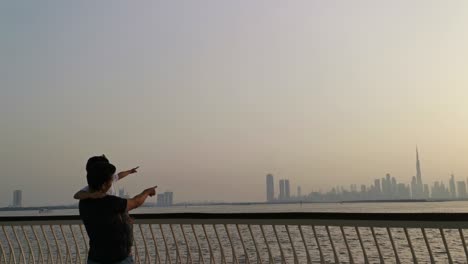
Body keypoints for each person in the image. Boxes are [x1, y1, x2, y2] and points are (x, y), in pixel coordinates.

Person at [79, 161, 156, 264]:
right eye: (110, 180)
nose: (111, 182)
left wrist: (124, 221)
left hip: (95, 258)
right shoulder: (110, 202)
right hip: (118, 259)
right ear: (103, 185)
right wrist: (147, 192)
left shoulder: (83, 203)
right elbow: (136, 202)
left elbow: (105, 222)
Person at [73, 155, 139, 199]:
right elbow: (77, 195)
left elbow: (119, 175)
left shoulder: (110, 178)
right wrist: (91, 195)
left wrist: (130, 171)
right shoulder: (93, 186)